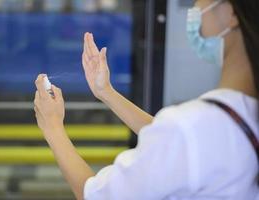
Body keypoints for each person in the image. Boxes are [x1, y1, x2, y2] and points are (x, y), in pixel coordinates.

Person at [33, 0, 259, 199]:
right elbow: (180, 142)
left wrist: (52, 127)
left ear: (231, 14)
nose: (195, 10)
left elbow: (92, 195)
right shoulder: (241, 115)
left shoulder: (191, 127)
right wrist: (106, 92)